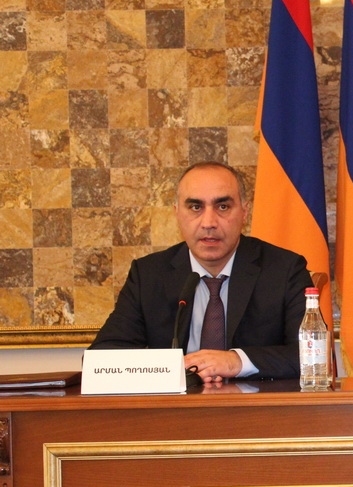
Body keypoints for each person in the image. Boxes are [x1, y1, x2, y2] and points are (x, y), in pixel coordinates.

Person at [90, 161, 313, 382]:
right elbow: (102, 357)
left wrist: (237, 361)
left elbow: (312, 355)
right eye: (195, 207)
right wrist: (170, 368)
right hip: (177, 404)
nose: (209, 222)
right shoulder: (148, 274)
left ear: (244, 212)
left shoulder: (284, 270)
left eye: (222, 207)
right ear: (177, 213)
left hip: (254, 403)